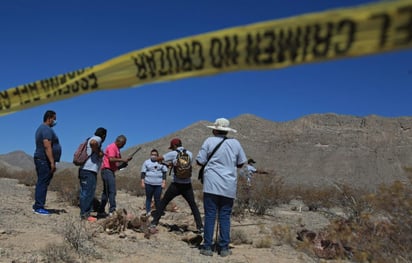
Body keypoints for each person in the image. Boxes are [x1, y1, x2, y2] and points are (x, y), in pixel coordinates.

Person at [196, 118, 247, 257]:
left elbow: (200, 161)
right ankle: (224, 248)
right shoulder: (235, 143)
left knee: (210, 215)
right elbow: (241, 163)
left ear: (214, 129)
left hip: (211, 184)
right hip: (229, 185)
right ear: (226, 131)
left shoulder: (209, 141)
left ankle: (207, 246)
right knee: (225, 216)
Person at [149, 138, 203, 234]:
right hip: (187, 184)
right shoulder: (189, 154)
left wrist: (155, 158)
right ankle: (200, 227)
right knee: (193, 205)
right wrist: (173, 164)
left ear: (174, 146)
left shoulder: (173, 153)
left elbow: (158, 159)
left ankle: (154, 222)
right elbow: (183, 165)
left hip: (176, 184)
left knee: (163, 202)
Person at [32, 110, 62, 215]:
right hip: (44, 160)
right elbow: (47, 145)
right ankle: (39, 207)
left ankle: (37, 205)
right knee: (43, 182)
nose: (55, 121)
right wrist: (52, 162)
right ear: (49, 118)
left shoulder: (43, 129)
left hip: (42, 159)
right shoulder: (46, 129)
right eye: (54, 119)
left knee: (42, 182)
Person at [97, 135, 132, 217]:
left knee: (106, 192)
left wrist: (123, 164)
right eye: (123, 143)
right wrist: (123, 159)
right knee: (112, 191)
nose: (124, 145)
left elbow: (116, 163)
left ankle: (101, 210)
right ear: (119, 141)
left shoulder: (117, 149)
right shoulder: (112, 147)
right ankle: (112, 210)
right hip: (107, 171)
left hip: (110, 171)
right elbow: (111, 159)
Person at [78, 127, 107, 222]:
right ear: (103, 135)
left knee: (84, 192)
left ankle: (84, 213)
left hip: (83, 169)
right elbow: (93, 143)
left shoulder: (88, 138)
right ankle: (86, 214)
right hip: (89, 170)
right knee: (88, 192)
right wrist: (98, 152)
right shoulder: (97, 139)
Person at [140, 149, 168, 216]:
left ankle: (158, 212)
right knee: (148, 198)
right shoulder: (146, 162)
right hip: (148, 183)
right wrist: (142, 182)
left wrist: (164, 182)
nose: (153, 156)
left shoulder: (161, 163)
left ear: (157, 156)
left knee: (157, 199)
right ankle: (148, 212)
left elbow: (164, 173)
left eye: (155, 155)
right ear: (150, 155)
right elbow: (143, 173)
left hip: (158, 184)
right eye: (152, 154)